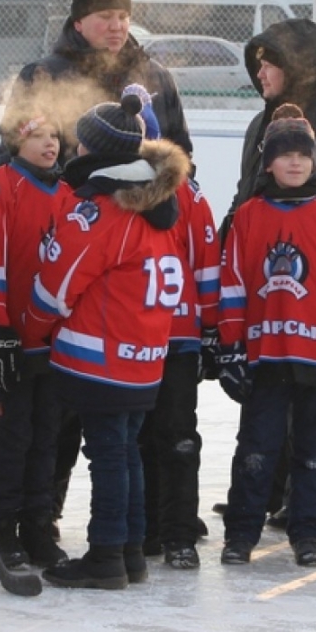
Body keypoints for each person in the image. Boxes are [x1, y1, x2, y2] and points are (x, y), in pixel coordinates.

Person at [23, 95, 190, 589]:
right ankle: (130, 551)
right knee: (127, 450)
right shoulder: (157, 204)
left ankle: (105, 555)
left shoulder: (102, 209)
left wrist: (32, 334)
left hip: (101, 353)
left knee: (109, 453)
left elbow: (58, 282)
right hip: (144, 354)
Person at [217, 105, 316, 568]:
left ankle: (308, 534)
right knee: (256, 450)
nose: (294, 162)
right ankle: (241, 534)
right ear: (267, 163)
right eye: (283, 154)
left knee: (314, 454)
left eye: (302, 154)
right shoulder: (248, 216)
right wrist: (230, 347)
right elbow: (234, 285)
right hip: (264, 357)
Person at [0, 113, 71, 572]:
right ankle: (1, 531)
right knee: (13, 436)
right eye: (39, 137)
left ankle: (38, 525)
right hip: (14, 344)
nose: (50, 145)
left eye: (54, 136)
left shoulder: (67, 193)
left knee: (48, 436)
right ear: (14, 142)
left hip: (57, 343)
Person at [132, 86, 219, 570]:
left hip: (176, 339)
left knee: (177, 435)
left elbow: (206, 263)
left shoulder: (187, 191)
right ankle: (142, 528)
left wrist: (209, 331)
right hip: (125, 340)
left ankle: (178, 530)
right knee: (135, 437)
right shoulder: (107, 189)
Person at [5, 0, 191, 159]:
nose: (116, 26)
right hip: (72, 187)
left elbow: (181, 155)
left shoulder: (156, 76)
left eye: (123, 16)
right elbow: (13, 157)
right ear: (78, 23)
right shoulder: (43, 76)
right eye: (105, 16)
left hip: (143, 188)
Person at [226, 18, 316, 225]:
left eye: (268, 66)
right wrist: (224, 244)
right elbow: (243, 195)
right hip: (255, 246)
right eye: (260, 66)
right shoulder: (259, 124)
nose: (260, 74)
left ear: (294, 71)